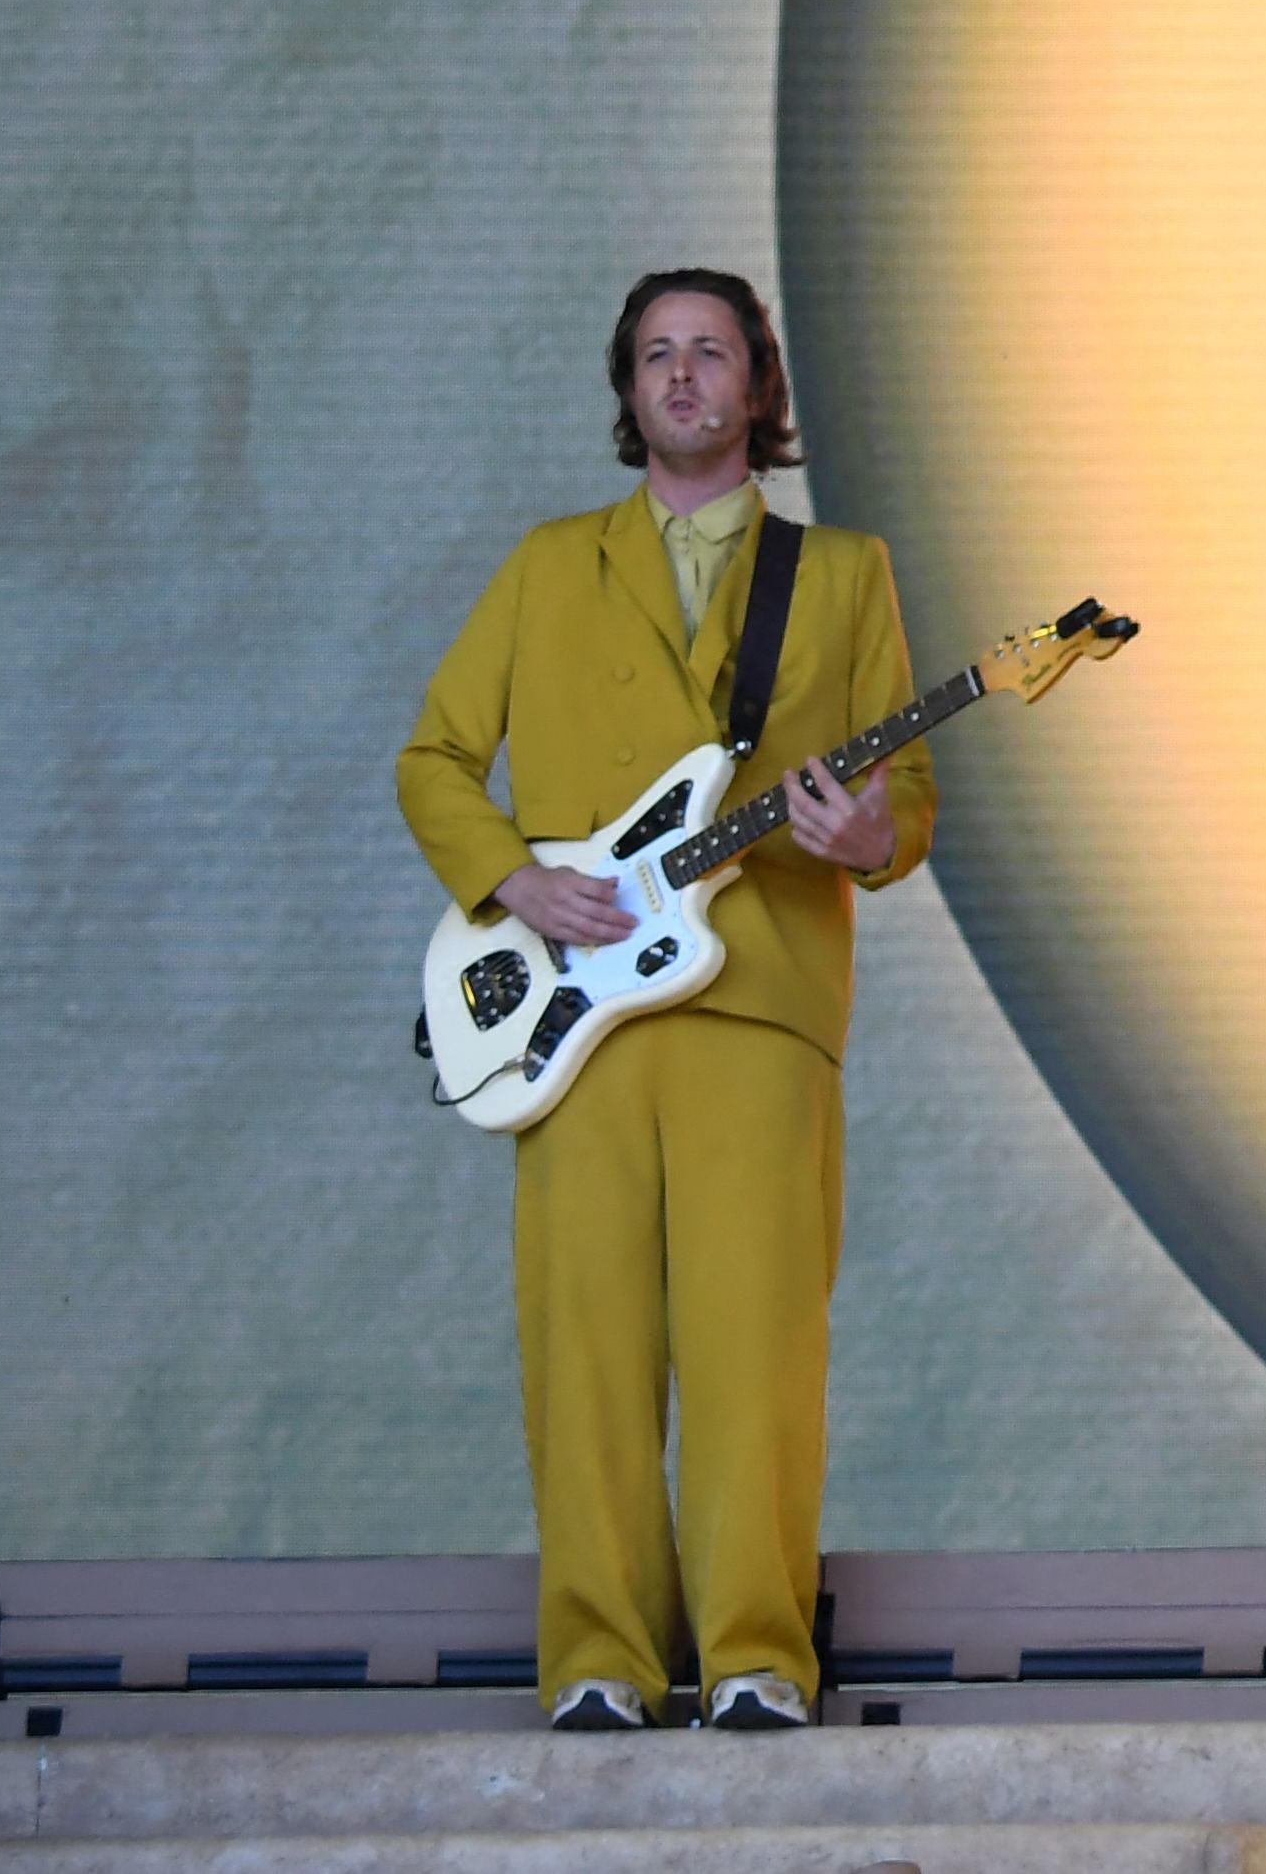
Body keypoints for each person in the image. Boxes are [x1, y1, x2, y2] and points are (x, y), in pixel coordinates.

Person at [392, 270, 930, 1732]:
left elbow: (905, 796)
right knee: (586, 1348)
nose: (681, 374)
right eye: (654, 354)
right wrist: (516, 881)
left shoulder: (844, 571)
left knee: (759, 1347)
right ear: (626, 393)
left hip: (759, 1008)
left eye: (709, 351)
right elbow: (434, 757)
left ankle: (757, 1653)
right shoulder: (547, 563)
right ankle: (598, 1663)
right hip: (576, 1026)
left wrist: (863, 836)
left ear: (758, 384)